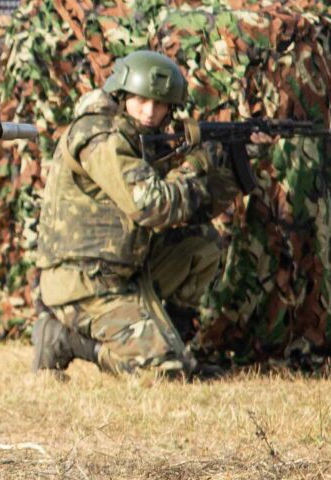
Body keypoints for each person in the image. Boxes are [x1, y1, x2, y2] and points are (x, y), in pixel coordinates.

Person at [30, 50, 243, 379]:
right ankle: (68, 340)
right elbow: (153, 206)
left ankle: (174, 346)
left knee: (201, 244)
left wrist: (234, 168)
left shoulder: (140, 140)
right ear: (122, 95)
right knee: (162, 374)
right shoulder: (99, 137)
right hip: (84, 283)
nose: (149, 112)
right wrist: (197, 164)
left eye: (159, 105)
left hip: (125, 271)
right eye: (141, 101)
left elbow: (191, 207)